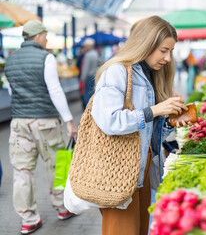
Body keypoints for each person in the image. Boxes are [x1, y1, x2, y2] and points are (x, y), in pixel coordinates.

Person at [92, 15, 191, 235]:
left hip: (142, 169)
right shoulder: (117, 72)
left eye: (170, 51)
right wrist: (154, 110)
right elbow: (109, 121)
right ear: (146, 43)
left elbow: (150, 130)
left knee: (139, 230)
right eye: (163, 50)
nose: (167, 58)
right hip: (117, 171)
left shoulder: (150, 74)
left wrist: (171, 120)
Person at [4, 20, 78, 234]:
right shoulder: (46, 58)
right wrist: (69, 121)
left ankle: (28, 219)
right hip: (45, 121)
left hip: (19, 122)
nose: (46, 39)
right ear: (37, 36)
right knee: (57, 165)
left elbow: (11, 92)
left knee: (22, 170)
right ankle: (63, 208)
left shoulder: (11, 60)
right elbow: (55, 90)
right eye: (45, 35)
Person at [80, 37, 99, 109]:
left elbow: (86, 68)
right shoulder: (95, 54)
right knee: (93, 95)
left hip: (88, 77)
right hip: (94, 76)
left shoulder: (88, 55)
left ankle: (88, 111)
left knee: (87, 96)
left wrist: (82, 78)